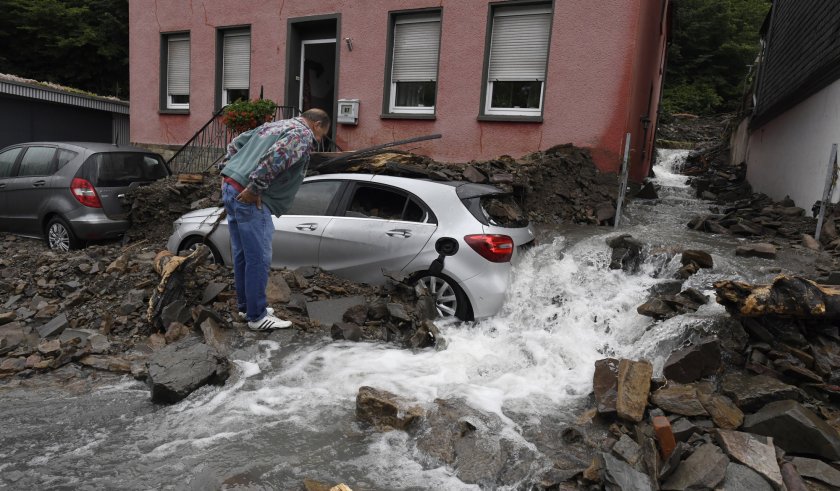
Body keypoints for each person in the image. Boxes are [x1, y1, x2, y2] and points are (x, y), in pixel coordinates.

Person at [218, 108, 330, 330]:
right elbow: (276, 157)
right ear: (316, 124)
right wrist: (255, 188)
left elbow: (236, 143)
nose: (318, 140)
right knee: (258, 257)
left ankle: (246, 307)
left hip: (232, 189)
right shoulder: (302, 134)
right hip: (250, 198)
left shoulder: (274, 126)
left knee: (243, 254)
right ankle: (257, 317)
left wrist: (227, 171)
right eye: (321, 134)